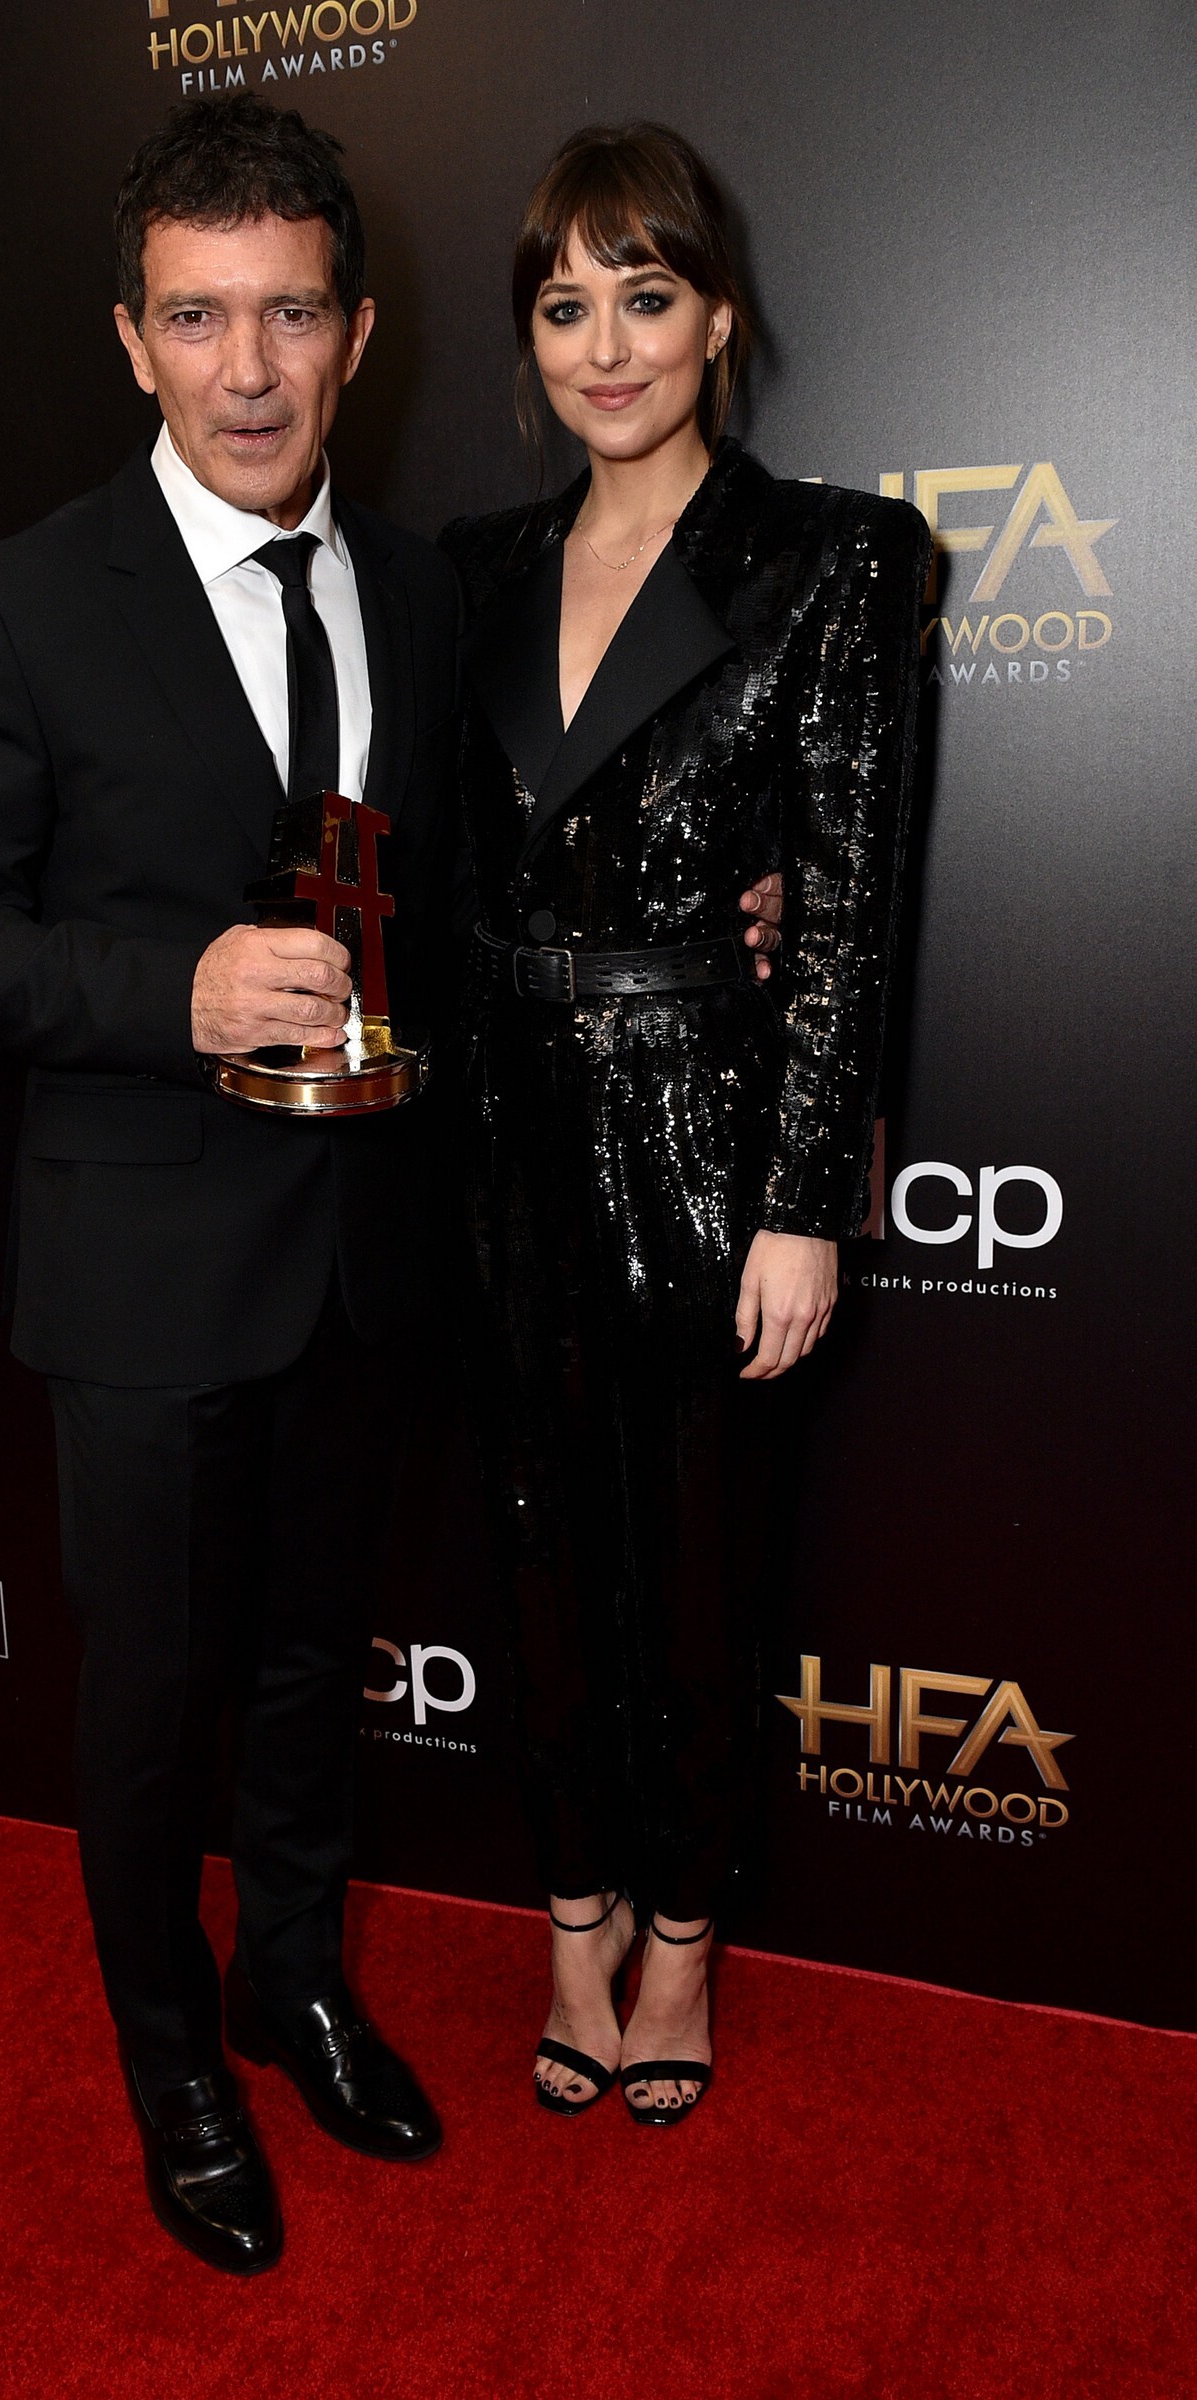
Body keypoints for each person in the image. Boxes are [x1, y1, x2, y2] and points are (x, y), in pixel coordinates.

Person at [0, 94, 465, 2278]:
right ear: (130, 339)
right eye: (197, 318)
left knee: (309, 1669)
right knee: (147, 1708)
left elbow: (459, 898)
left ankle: (291, 1983)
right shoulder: (24, 602)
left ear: (356, 331)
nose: (247, 370)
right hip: (138, 1272)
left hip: (360, 1253)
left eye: (289, 314)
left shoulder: (418, 586)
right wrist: (171, 990)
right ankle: (170, 2063)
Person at [440, 123, 928, 2126]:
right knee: (536, 1557)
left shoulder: (833, 556)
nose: (606, 346)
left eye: (644, 296)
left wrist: (804, 1199)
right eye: (564, 307)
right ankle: (573, 1921)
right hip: (495, 1138)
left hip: (712, 1137)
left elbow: (849, 899)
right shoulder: (467, 571)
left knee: (707, 1574)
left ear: (716, 319)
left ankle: (688, 1933)